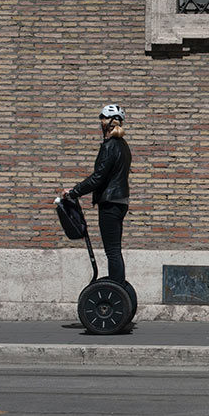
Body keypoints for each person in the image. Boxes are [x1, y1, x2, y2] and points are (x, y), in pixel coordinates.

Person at [63, 104, 132, 284]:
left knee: (112, 251)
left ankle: (117, 289)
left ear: (107, 122)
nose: (100, 122)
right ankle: (119, 288)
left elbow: (98, 178)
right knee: (115, 250)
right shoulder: (124, 146)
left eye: (102, 119)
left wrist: (74, 191)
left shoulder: (109, 146)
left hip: (109, 203)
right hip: (121, 202)